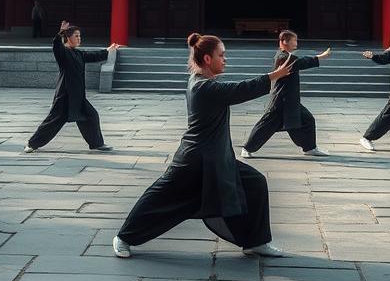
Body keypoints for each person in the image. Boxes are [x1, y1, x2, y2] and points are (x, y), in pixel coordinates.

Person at [113, 33, 295, 259]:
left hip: (218, 159)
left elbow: (234, 89)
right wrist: (273, 76)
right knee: (161, 199)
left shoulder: (205, 82)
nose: (225, 59)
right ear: (207, 59)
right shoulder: (202, 87)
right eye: (222, 55)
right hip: (194, 160)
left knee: (254, 184)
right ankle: (124, 237)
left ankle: (256, 242)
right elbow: (239, 89)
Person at [24, 20, 120, 153]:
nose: (79, 38)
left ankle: (97, 143)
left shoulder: (78, 53)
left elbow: (93, 56)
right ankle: (32, 144)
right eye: (76, 36)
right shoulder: (63, 53)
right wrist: (60, 32)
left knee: (91, 116)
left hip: (78, 96)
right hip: (65, 96)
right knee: (53, 122)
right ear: (68, 38)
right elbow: (56, 46)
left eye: (80, 36)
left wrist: (108, 50)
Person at [241, 30, 331, 158]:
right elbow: (299, 63)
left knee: (307, 120)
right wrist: (319, 57)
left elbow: (298, 62)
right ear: (284, 41)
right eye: (294, 40)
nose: (296, 43)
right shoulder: (282, 57)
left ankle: (310, 147)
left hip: (290, 100)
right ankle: (247, 148)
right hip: (281, 100)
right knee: (266, 125)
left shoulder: (286, 56)